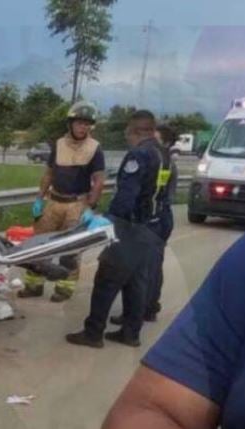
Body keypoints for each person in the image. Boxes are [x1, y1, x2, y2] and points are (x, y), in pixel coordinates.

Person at [102, 234, 245, 429]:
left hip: (139, 226)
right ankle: (138, 318)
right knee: (145, 272)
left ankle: (130, 325)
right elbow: (159, 409)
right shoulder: (242, 261)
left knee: (136, 274)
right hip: (143, 226)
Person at [66, 110, 163, 348]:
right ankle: (131, 333)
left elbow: (127, 195)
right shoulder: (161, 153)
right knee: (136, 281)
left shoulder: (138, 155)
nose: (127, 138)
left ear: (135, 131)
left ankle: (93, 332)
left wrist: (109, 219)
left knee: (107, 278)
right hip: (149, 226)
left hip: (128, 226)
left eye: (127, 134)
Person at [18, 101, 106, 302]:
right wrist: (39, 198)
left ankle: (64, 288)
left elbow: (99, 180)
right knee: (38, 245)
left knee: (71, 250)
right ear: (71, 123)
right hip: (53, 201)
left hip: (77, 204)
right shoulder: (59, 145)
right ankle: (33, 286)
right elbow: (49, 173)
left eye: (87, 124)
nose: (83, 127)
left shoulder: (94, 148)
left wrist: (90, 206)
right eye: (79, 123)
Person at [110, 124, 178, 326]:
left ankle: (139, 313)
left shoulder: (161, 162)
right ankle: (147, 308)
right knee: (151, 267)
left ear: (165, 143)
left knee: (143, 270)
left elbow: (151, 195)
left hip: (153, 219)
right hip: (159, 218)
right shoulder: (163, 160)